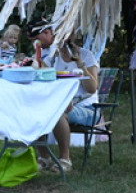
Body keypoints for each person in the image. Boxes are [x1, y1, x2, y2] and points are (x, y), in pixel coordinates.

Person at [28, 16, 98, 172]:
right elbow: (46, 77)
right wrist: (36, 59)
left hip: (87, 107)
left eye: (69, 35)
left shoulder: (87, 55)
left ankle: (65, 159)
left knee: (58, 112)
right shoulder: (54, 57)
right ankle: (44, 157)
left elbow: (92, 88)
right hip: (64, 103)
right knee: (36, 110)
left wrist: (79, 63)